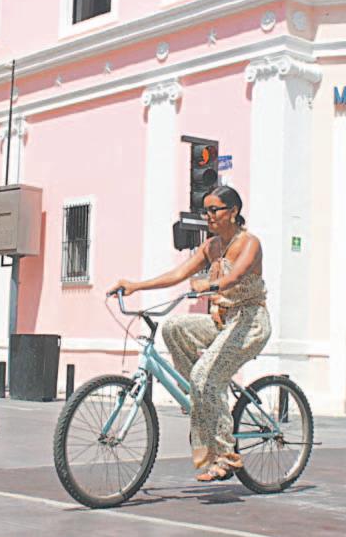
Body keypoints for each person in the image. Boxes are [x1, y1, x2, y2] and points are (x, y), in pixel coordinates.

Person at [108, 186, 270, 482]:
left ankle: (226, 456)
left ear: (233, 211)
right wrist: (135, 285)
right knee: (173, 327)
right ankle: (202, 397)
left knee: (204, 376)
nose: (208, 216)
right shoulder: (211, 246)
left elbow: (236, 276)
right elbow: (177, 274)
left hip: (250, 322)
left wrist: (209, 285)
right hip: (224, 320)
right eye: (205, 211)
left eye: (214, 210)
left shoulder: (249, 243)